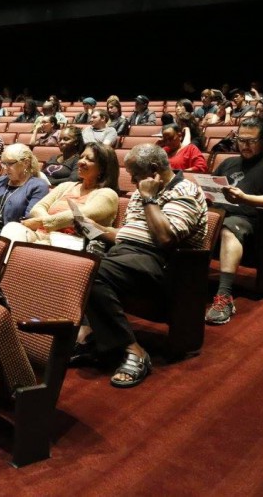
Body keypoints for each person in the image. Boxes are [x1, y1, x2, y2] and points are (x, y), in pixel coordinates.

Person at [72, 144, 207, 388]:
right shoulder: (140, 193)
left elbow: (165, 238)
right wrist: (95, 229)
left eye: (135, 174)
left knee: (92, 273)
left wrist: (149, 198)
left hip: (162, 265)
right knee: (78, 265)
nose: (132, 180)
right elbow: (128, 234)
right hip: (126, 255)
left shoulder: (185, 191)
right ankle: (95, 338)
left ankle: (133, 349)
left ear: (153, 170)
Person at [205, 118, 263, 325]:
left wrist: (245, 198)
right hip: (220, 213)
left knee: (228, 228)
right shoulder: (228, 162)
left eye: (251, 141)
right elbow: (212, 188)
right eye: (241, 140)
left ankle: (224, 296)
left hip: (253, 218)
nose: (245, 145)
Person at [2, 142, 119, 244]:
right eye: (82, 157)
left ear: (103, 168)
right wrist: (48, 225)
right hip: (42, 236)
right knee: (12, 228)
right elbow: (37, 208)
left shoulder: (108, 194)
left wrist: (40, 222)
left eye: (89, 159)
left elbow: (79, 217)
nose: (81, 162)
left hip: (72, 241)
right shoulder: (66, 186)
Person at [0, 144, 50, 227]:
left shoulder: (38, 186)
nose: (5, 168)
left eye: (10, 163)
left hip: (9, 233)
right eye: (4, 163)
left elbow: (29, 220)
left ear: (26, 163)